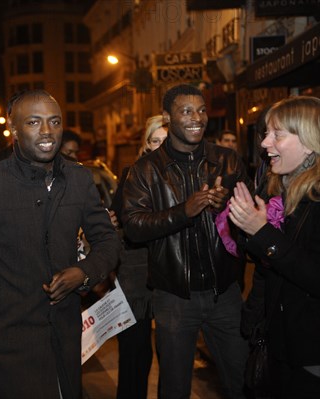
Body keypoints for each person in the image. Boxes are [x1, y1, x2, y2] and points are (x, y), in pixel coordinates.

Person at [0, 89, 120, 398]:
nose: (47, 132)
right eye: (34, 122)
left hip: (65, 335)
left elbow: (108, 241)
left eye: (54, 121)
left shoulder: (79, 180)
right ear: (13, 128)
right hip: (12, 340)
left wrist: (83, 273)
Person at [121, 84, 249, 399]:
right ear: (168, 117)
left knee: (244, 380)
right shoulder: (145, 170)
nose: (197, 118)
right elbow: (134, 227)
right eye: (186, 111)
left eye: (202, 110)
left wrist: (228, 207)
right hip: (174, 296)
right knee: (174, 388)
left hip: (225, 293)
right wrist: (184, 211)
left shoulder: (228, 161)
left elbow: (254, 220)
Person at [230, 96, 320, 398]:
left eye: (277, 134)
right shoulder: (285, 190)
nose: (266, 143)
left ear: (308, 142)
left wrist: (263, 232)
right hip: (281, 349)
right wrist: (247, 227)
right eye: (267, 133)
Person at [108, 114, 167, 399]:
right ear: (146, 144)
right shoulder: (132, 173)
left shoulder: (186, 174)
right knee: (135, 353)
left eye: (165, 141)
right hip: (135, 276)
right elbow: (118, 216)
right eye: (155, 141)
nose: (160, 147)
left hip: (171, 273)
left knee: (171, 353)